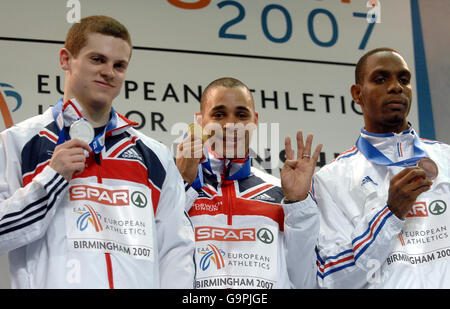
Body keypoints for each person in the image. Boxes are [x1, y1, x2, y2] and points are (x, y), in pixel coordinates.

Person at [0, 15, 195, 289]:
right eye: (97, 59)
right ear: (66, 59)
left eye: (119, 65)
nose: (109, 72)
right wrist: (50, 180)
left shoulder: (155, 156)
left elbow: (176, 251)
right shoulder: (18, 143)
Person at [314, 47, 450, 288]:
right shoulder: (331, 180)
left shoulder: (446, 158)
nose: (396, 86)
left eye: (404, 79)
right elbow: (332, 278)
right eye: (381, 79)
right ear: (357, 94)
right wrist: (389, 214)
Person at [176, 77, 322, 288]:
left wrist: (298, 203)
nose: (231, 124)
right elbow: (157, 256)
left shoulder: (280, 194)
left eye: (241, 115)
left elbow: (303, 280)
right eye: (219, 114)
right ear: (199, 121)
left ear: (255, 121)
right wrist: (182, 185)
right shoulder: (176, 187)